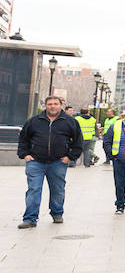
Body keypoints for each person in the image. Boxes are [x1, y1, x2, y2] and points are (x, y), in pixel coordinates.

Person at [17, 96, 82, 228]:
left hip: (58, 162)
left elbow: (78, 141)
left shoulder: (70, 122)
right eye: (50, 104)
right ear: (45, 106)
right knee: (34, 189)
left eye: (55, 104)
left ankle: (57, 213)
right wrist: (25, 155)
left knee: (57, 190)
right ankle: (30, 218)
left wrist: (70, 157)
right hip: (36, 162)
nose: (53, 106)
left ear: (60, 105)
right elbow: (23, 138)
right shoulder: (34, 121)